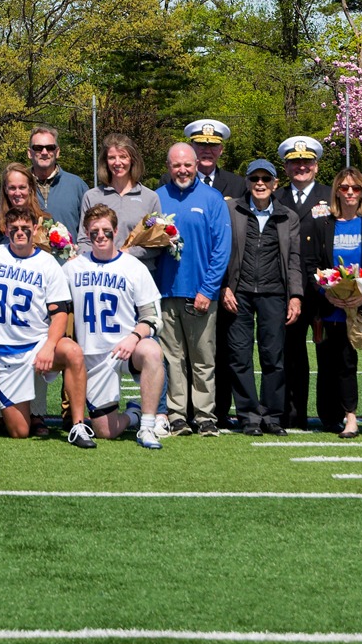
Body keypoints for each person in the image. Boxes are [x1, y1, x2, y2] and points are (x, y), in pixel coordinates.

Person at [0, 207, 91, 446]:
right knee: (20, 432)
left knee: (73, 352)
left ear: (35, 229)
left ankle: (78, 425)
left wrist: (49, 346)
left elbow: (59, 315)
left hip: (37, 346)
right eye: (14, 229)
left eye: (26, 228)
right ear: (5, 229)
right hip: (6, 354)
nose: (20, 233)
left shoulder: (47, 263)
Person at [302, 169, 362, 439]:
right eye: (344, 188)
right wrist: (327, 294)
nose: (350, 193)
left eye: (356, 188)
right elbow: (312, 266)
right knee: (344, 364)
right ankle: (351, 418)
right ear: (337, 193)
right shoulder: (323, 225)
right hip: (335, 308)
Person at [63, 204, 167, 449]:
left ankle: (148, 427)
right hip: (93, 357)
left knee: (152, 351)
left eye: (106, 230)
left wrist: (133, 337)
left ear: (116, 230)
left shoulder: (133, 267)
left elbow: (153, 317)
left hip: (125, 349)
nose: (100, 235)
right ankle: (135, 414)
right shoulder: (72, 268)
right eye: (94, 231)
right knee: (104, 431)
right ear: (87, 234)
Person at [154, 143, 233, 436]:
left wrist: (208, 289)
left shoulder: (212, 199)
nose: (182, 170)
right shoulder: (157, 198)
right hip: (165, 293)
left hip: (200, 294)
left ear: (196, 164)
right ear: (168, 166)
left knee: (203, 360)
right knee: (173, 360)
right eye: (176, 165)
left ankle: (205, 416)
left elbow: (221, 250)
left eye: (187, 164)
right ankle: (177, 415)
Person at [221, 160, 304, 437]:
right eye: (254, 178)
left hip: (274, 294)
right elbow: (221, 251)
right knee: (240, 356)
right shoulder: (232, 210)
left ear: (275, 183)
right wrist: (224, 288)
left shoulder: (287, 216)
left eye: (265, 179)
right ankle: (248, 416)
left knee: (273, 358)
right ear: (247, 182)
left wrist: (295, 296)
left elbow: (294, 259)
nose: (260, 184)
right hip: (239, 293)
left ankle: (272, 415)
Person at [274, 134, 331, 431]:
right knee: (292, 354)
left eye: (306, 162)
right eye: (295, 163)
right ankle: (292, 414)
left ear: (316, 166)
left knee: (328, 352)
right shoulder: (276, 199)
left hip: (324, 289)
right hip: (288, 288)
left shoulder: (330, 195)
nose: (301, 167)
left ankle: (330, 413)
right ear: (285, 167)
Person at [81, 133, 162, 268]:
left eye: (123, 157)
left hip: (138, 273)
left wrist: (127, 253)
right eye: (112, 158)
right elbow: (84, 240)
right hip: (101, 273)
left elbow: (157, 243)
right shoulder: (91, 196)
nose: (117, 162)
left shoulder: (150, 198)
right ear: (105, 162)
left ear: (132, 160)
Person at [0, 164, 57, 257]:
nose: (17, 193)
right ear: (5, 189)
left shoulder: (46, 222)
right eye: (12, 188)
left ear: (30, 188)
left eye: (22, 187)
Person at [26, 126, 87, 235]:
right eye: (38, 148)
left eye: (50, 147)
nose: (44, 152)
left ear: (57, 152)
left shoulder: (77, 185)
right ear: (30, 153)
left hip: (70, 251)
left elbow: (91, 227)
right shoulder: (19, 186)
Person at [185, 119, 247, 200]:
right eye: (201, 145)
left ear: (221, 149)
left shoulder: (237, 184)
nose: (207, 151)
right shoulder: (174, 181)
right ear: (191, 148)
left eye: (213, 145)